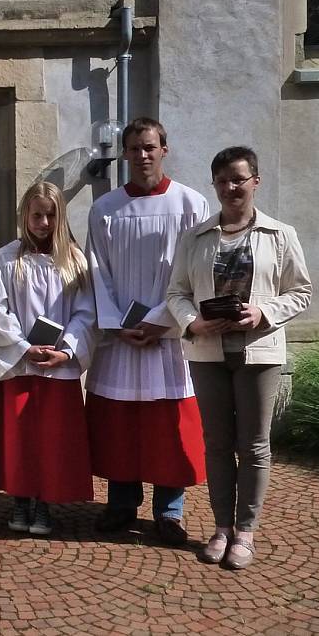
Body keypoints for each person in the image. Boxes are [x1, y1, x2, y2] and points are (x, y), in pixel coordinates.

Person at [167, 146, 312, 569]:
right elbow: (176, 291)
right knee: (216, 443)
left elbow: (301, 291)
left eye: (239, 179)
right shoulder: (195, 237)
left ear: (255, 182)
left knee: (254, 445)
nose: (231, 187)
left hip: (259, 350)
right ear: (214, 185)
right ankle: (221, 529)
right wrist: (192, 322)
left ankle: (245, 531)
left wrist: (263, 312)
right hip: (207, 351)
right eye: (223, 180)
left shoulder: (280, 235)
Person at [86, 117, 209, 545]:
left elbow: (196, 274)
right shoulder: (105, 209)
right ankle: (121, 505)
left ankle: (169, 512)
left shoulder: (190, 205)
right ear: (124, 153)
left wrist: (160, 322)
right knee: (122, 424)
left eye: (150, 147)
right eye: (135, 148)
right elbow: (96, 269)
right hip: (121, 335)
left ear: (164, 149)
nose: (142, 155)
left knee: (166, 426)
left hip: (168, 337)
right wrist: (118, 323)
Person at [0, 182, 96, 535]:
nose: (43, 222)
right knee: (22, 438)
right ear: (24, 215)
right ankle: (19, 499)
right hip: (20, 365)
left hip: (58, 367)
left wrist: (66, 351)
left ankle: (45, 503)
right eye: (37, 214)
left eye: (51, 215)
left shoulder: (75, 260)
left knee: (52, 439)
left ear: (60, 216)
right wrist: (21, 347)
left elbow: (85, 312)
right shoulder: (5, 258)